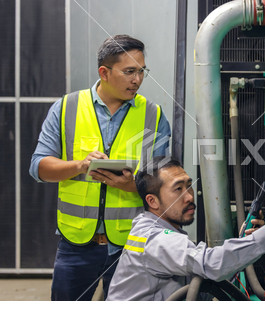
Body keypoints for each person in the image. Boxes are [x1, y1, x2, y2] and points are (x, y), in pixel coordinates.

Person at [29, 35, 171, 301]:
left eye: (142, 71)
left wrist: (133, 185)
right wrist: (80, 165)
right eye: (129, 71)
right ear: (104, 72)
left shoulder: (154, 115)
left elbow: (164, 179)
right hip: (76, 245)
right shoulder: (66, 108)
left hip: (132, 245)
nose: (137, 80)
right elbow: (39, 167)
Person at [106, 157, 265, 301]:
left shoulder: (157, 229)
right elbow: (211, 264)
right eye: (178, 189)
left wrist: (250, 240)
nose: (190, 196)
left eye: (189, 186)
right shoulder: (155, 238)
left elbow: (209, 269)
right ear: (153, 201)